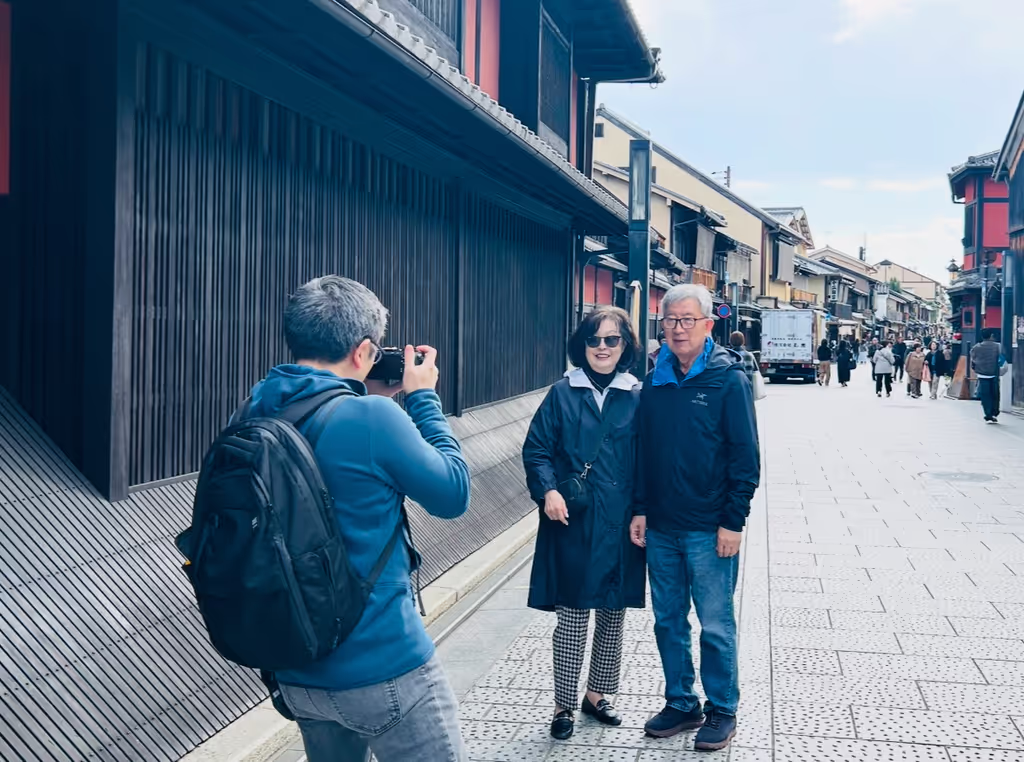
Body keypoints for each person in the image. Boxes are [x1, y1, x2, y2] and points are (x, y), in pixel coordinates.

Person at [257, 276, 471, 762]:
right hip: (383, 667)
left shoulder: (254, 409)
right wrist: (421, 399)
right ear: (365, 351)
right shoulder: (374, 418)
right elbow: (454, 493)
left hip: (296, 671)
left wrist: (363, 396)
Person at [632, 284, 760, 752]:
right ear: (661, 326)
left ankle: (722, 708)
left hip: (711, 528)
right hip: (662, 526)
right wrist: (642, 508)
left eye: (688, 320)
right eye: (670, 320)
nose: (678, 328)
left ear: (709, 324)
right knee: (668, 621)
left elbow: (746, 458)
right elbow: (644, 451)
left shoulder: (728, 381)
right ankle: (681, 702)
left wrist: (734, 520)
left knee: (716, 623)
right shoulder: (655, 380)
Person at [523, 306, 646, 741]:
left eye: (612, 340)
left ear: (625, 346)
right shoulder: (562, 393)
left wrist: (643, 511)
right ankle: (563, 703)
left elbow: (648, 461)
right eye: (594, 340)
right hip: (573, 519)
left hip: (620, 523)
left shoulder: (637, 394)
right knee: (573, 617)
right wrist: (548, 491)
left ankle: (597, 695)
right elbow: (537, 449)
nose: (602, 348)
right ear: (582, 346)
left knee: (613, 616)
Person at [970, 329, 1005, 423]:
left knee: (985, 395)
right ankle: (994, 412)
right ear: (991, 335)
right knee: (995, 394)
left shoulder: (976, 347)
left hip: (982, 375)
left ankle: (988, 414)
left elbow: (973, 361)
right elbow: (1002, 358)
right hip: (994, 374)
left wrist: (976, 369)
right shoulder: (997, 346)